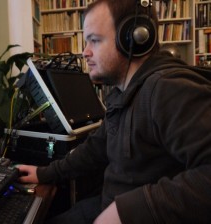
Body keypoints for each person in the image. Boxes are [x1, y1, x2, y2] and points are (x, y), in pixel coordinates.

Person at [18, 0, 211, 223]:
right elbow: (95, 148)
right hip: (106, 205)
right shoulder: (123, 93)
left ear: (135, 38)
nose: (85, 52)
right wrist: (44, 173)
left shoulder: (166, 89)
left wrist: (128, 210)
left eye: (95, 41)